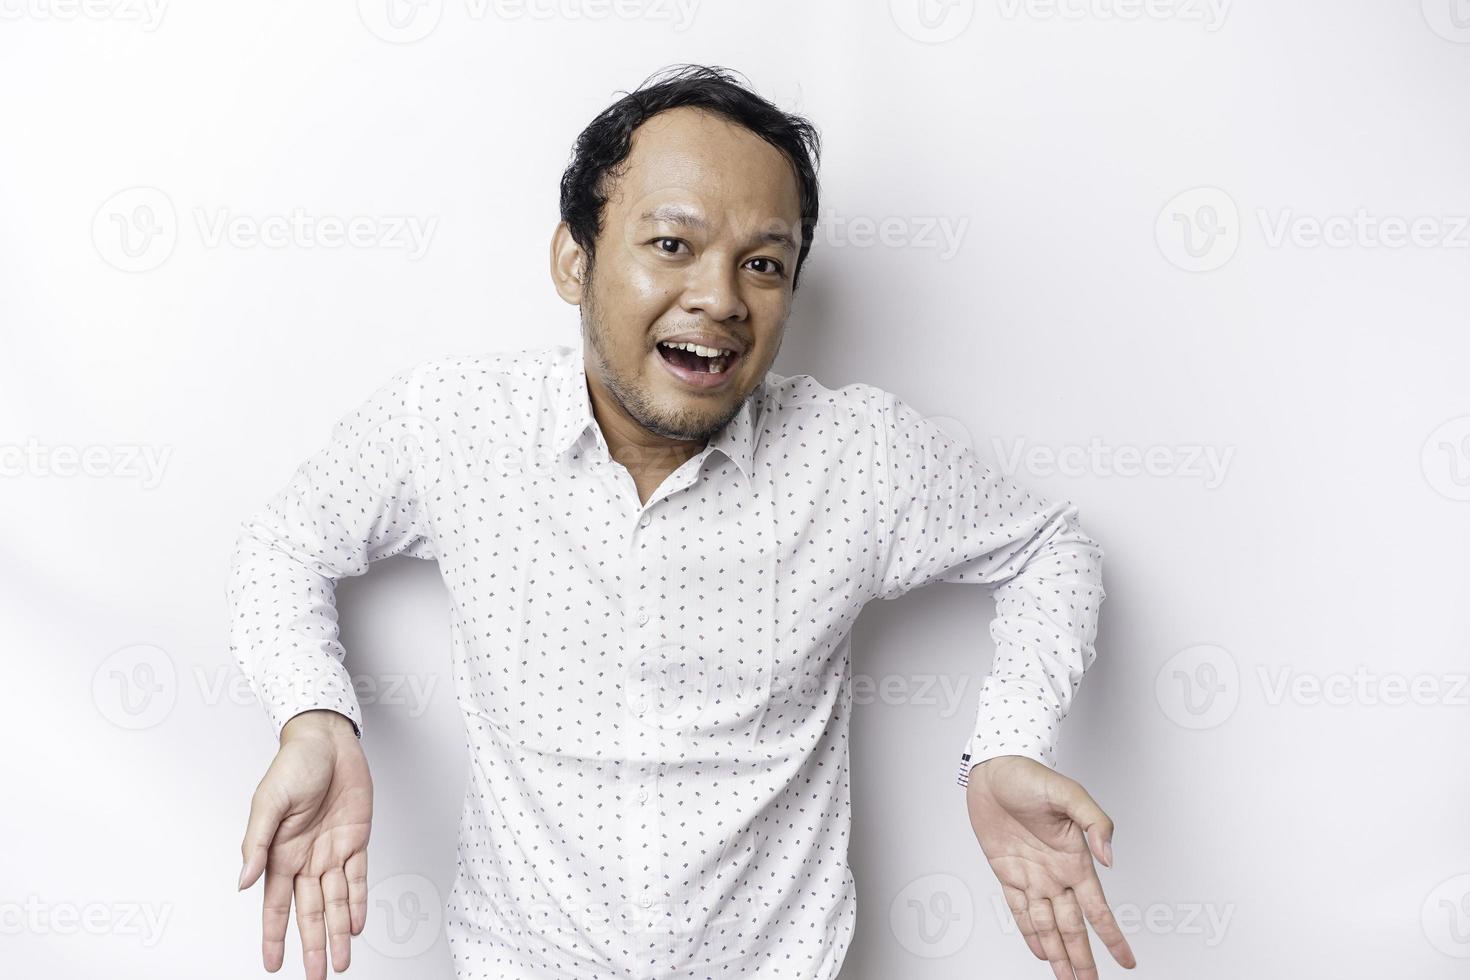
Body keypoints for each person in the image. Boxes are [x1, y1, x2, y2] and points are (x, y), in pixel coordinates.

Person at [229, 63, 1136, 980]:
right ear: (573, 260)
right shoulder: (455, 424)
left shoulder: (857, 454)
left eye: (764, 264)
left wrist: (1004, 746)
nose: (722, 298)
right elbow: (285, 543)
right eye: (672, 244)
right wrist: (315, 719)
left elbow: (1050, 547)